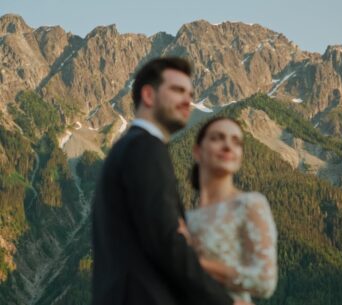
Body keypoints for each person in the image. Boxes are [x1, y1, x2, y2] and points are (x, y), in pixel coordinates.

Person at [92, 58, 248, 305]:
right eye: (177, 90)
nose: (187, 100)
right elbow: (165, 243)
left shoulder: (125, 148)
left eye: (190, 93)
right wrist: (224, 301)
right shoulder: (146, 149)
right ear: (148, 95)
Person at [178, 117, 278, 303]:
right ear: (197, 151)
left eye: (236, 142)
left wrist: (198, 264)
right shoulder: (188, 219)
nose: (227, 146)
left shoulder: (250, 204)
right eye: (217, 138)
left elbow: (265, 281)